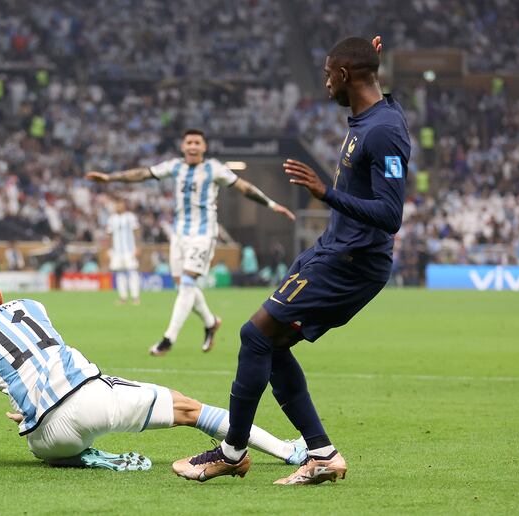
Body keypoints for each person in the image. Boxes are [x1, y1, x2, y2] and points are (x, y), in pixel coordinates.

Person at [174, 35, 410, 486]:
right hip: (331, 250)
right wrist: (371, 56)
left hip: (351, 261)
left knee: (254, 334)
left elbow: (391, 215)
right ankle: (321, 454)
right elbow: (376, 90)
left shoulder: (383, 131)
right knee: (271, 343)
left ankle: (231, 451)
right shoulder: (371, 117)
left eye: (328, 74)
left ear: (344, 75)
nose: (324, 82)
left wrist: (327, 193)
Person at [0, 272, 307, 471]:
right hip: (92, 398)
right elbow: (42, 356)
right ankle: (289, 453)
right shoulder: (31, 306)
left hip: (46, 440)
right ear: (0, 295)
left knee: (41, 437)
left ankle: (85, 458)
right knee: (191, 411)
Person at [86, 129, 295, 356]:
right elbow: (143, 174)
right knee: (184, 286)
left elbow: (244, 187)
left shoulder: (214, 168)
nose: (193, 146)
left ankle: (168, 339)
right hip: (179, 234)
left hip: (203, 233)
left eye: (197, 142)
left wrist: (272, 205)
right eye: (189, 142)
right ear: (183, 147)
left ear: (204, 147)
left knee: (187, 283)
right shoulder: (175, 166)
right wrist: (109, 178)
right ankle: (210, 321)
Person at [106, 198, 141, 305]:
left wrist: (138, 247)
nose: (118, 207)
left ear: (124, 206)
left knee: (132, 272)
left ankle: (135, 297)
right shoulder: (112, 219)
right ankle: (123, 297)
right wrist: (109, 249)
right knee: (119, 274)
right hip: (117, 251)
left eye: (120, 204)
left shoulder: (130, 217)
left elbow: (136, 232)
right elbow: (109, 235)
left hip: (129, 250)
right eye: (117, 205)